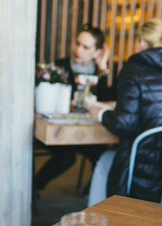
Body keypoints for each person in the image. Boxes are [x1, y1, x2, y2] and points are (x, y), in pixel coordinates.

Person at [87, 18, 162, 206]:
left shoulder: (133, 70)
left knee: (104, 160)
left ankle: (99, 220)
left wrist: (100, 114)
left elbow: (124, 123)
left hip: (140, 178)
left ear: (143, 42)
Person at [34, 24, 115, 193]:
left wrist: (103, 67)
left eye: (86, 47)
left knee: (102, 155)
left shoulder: (98, 71)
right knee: (67, 157)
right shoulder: (60, 66)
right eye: (77, 43)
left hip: (86, 131)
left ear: (97, 51)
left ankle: (91, 193)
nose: (78, 49)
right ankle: (34, 188)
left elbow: (105, 101)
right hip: (59, 130)